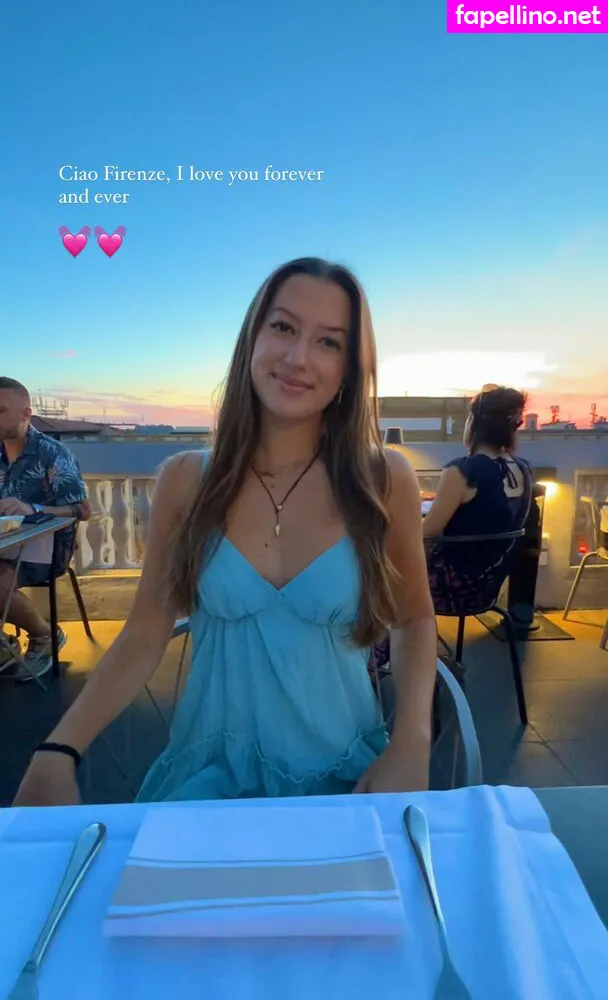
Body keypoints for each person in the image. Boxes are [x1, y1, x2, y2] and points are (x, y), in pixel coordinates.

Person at [13, 257, 438, 807]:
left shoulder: (383, 479)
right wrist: (59, 749)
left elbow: (413, 617)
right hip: (211, 780)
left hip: (347, 781)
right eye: (283, 327)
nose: (298, 357)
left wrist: (411, 740)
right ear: (252, 339)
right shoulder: (186, 481)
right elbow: (145, 632)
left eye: (328, 342)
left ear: (349, 370)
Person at [0, 377, 91, 680]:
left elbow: (83, 510)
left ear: (26, 414)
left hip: (46, 547)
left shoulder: (52, 453)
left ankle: (44, 635)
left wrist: (34, 509)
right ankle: (4, 645)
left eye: (1, 410)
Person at [421, 385, 532, 614]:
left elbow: (427, 533)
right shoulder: (522, 469)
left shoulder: (464, 470)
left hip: (449, 588)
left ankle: (392, 637)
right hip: (487, 587)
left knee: (379, 564)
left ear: (474, 424)